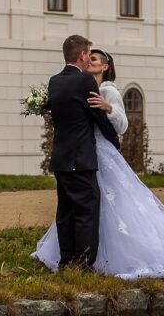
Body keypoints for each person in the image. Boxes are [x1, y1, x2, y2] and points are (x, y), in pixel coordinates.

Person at [35, 46, 164, 280]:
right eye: (88, 57)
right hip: (84, 151)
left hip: (99, 151)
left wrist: (108, 108)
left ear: (105, 66)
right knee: (84, 206)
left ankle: (95, 257)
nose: (89, 61)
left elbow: (121, 125)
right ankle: (81, 256)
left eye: (95, 59)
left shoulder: (107, 89)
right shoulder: (77, 84)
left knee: (103, 204)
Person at [45, 34, 123, 269]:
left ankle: (66, 260)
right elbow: (97, 118)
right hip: (81, 159)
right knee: (86, 212)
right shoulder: (85, 82)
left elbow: (63, 117)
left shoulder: (54, 81)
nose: (90, 58)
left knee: (65, 212)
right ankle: (83, 263)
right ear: (81, 55)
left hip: (61, 158)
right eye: (89, 54)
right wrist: (114, 143)